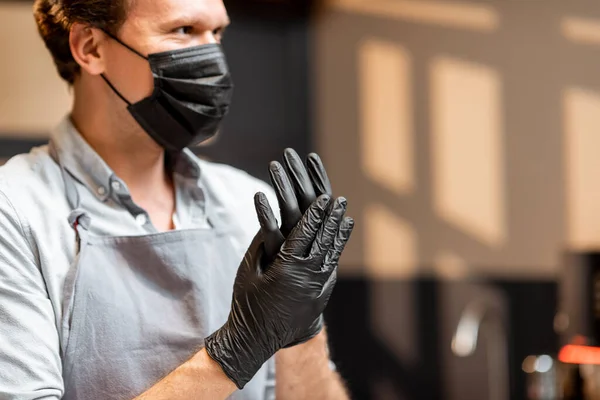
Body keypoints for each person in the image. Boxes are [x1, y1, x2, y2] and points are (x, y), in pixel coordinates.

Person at [0, 0, 355, 398]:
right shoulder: (15, 210)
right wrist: (238, 348)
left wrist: (300, 327)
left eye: (217, 33)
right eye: (184, 30)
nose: (214, 58)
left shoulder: (248, 202)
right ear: (90, 47)